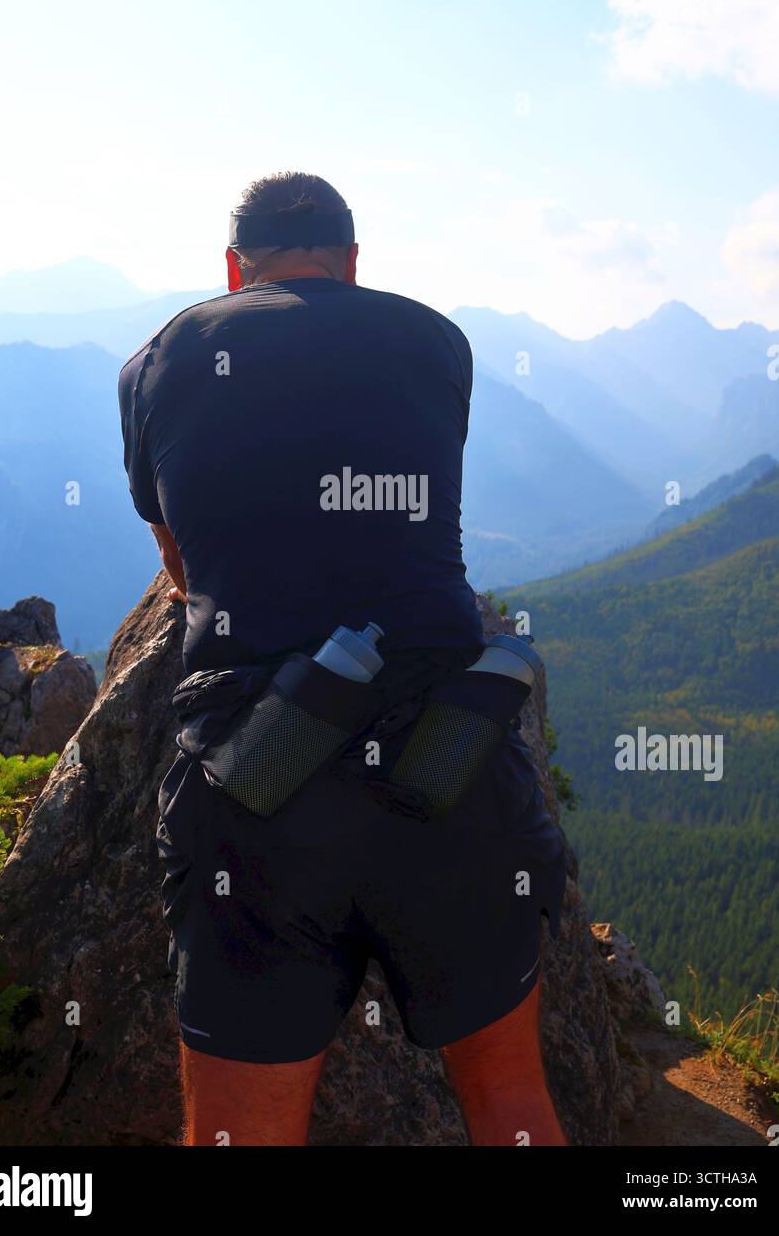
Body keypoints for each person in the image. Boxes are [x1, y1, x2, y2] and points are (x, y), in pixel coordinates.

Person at [118, 171, 568, 1146]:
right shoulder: (434, 339)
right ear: (352, 262)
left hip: (258, 778)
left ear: (233, 267)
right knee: (511, 1108)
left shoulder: (160, 357)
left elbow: (180, 567)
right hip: (447, 756)